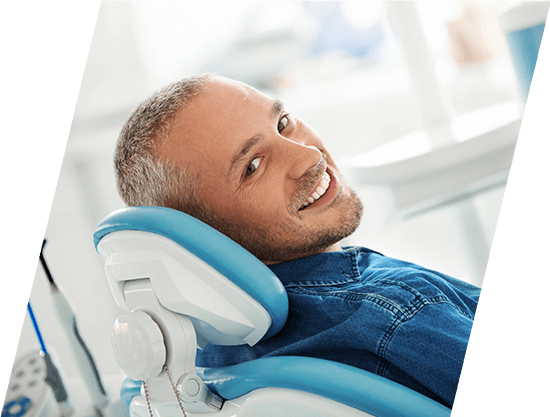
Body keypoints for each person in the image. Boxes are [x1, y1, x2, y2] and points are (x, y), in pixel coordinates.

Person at [114, 73, 480, 409]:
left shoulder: (202, 366)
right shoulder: (397, 309)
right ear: (205, 236)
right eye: (253, 167)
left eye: (283, 123)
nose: (308, 156)